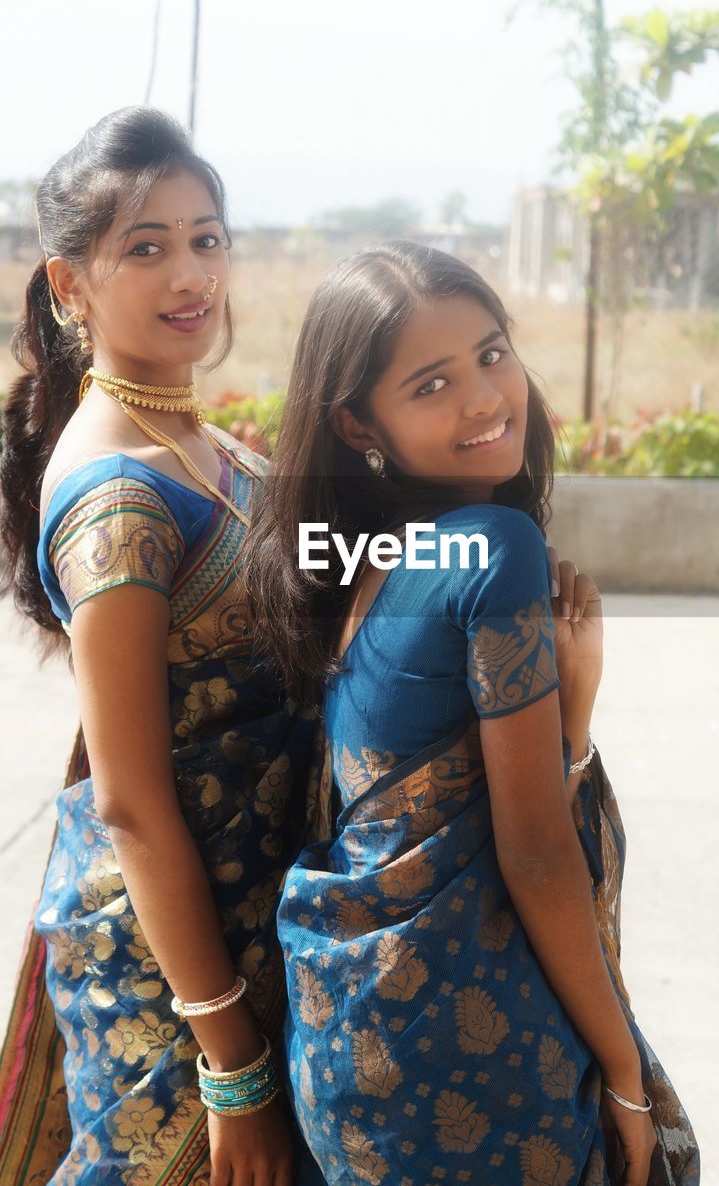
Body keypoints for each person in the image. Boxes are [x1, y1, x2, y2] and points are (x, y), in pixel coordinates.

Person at [242, 242, 700, 1185]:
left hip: (348, 1056)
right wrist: (623, 1075)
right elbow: (531, 850)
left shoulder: (361, 559)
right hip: (463, 1055)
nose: (486, 398)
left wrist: (566, 710)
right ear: (357, 421)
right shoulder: (492, 547)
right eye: (432, 383)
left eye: (492, 354)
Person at [0, 108, 318, 1186]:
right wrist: (231, 1063)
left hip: (255, 921)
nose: (191, 273)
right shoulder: (118, 494)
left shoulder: (197, 434)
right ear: (69, 283)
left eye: (206, 236)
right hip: (176, 978)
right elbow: (132, 800)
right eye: (147, 246)